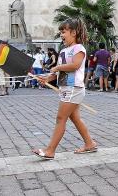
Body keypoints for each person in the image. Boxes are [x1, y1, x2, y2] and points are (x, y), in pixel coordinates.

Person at [31, 18, 96, 160]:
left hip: (74, 88)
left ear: (73, 32)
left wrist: (57, 67)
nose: (61, 34)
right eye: (60, 32)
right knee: (75, 118)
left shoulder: (79, 48)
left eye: (63, 31)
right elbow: (59, 73)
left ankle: (50, 150)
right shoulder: (62, 51)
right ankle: (89, 143)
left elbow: (75, 65)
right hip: (66, 88)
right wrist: (48, 78)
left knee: (61, 118)